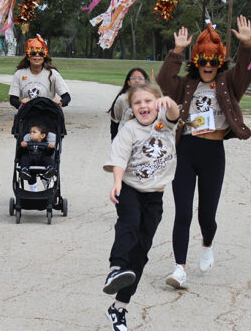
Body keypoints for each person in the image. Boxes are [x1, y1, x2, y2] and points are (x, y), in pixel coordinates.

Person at [155, 15, 251, 289]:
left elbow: (246, 71)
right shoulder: (185, 85)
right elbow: (163, 79)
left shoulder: (228, 83)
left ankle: (207, 243)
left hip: (213, 152)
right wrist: (177, 51)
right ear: (196, 62)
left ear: (220, 62)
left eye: (213, 61)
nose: (208, 66)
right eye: (203, 61)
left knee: (206, 215)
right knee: (183, 212)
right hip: (186, 151)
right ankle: (179, 268)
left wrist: (246, 45)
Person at [102, 83, 180, 330]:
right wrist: (116, 182)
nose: (143, 106)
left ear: (156, 102)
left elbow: (175, 114)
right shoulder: (129, 130)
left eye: (148, 101)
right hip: (130, 190)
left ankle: (118, 309)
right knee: (130, 223)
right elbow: (119, 158)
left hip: (154, 196)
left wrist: (169, 101)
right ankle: (116, 268)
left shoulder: (164, 123)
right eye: (137, 103)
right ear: (131, 108)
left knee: (141, 254)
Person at [8, 34, 71, 109]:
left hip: (48, 113)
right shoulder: (19, 74)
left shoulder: (52, 74)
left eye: (41, 54)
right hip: (27, 114)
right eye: (33, 53)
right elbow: (13, 99)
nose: (37, 56)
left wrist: (60, 102)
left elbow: (66, 97)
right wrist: (20, 104)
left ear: (44, 56)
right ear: (28, 57)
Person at [107, 68, 150, 140]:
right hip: (127, 139)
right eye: (133, 78)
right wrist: (113, 139)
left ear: (145, 81)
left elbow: (159, 122)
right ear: (129, 82)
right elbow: (115, 120)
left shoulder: (152, 99)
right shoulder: (122, 99)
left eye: (140, 78)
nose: (137, 81)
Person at [19, 124, 57, 191]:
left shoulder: (46, 144)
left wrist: (51, 148)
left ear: (42, 135)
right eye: (30, 132)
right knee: (25, 158)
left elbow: (49, 153)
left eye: (34, 132)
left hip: (42, 161)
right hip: (31, 162)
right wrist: (23, 147)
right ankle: (24, 170)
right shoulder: (27, 143)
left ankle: (50, 169)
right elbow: (22, 153)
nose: (31, 134)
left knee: (47, 158)